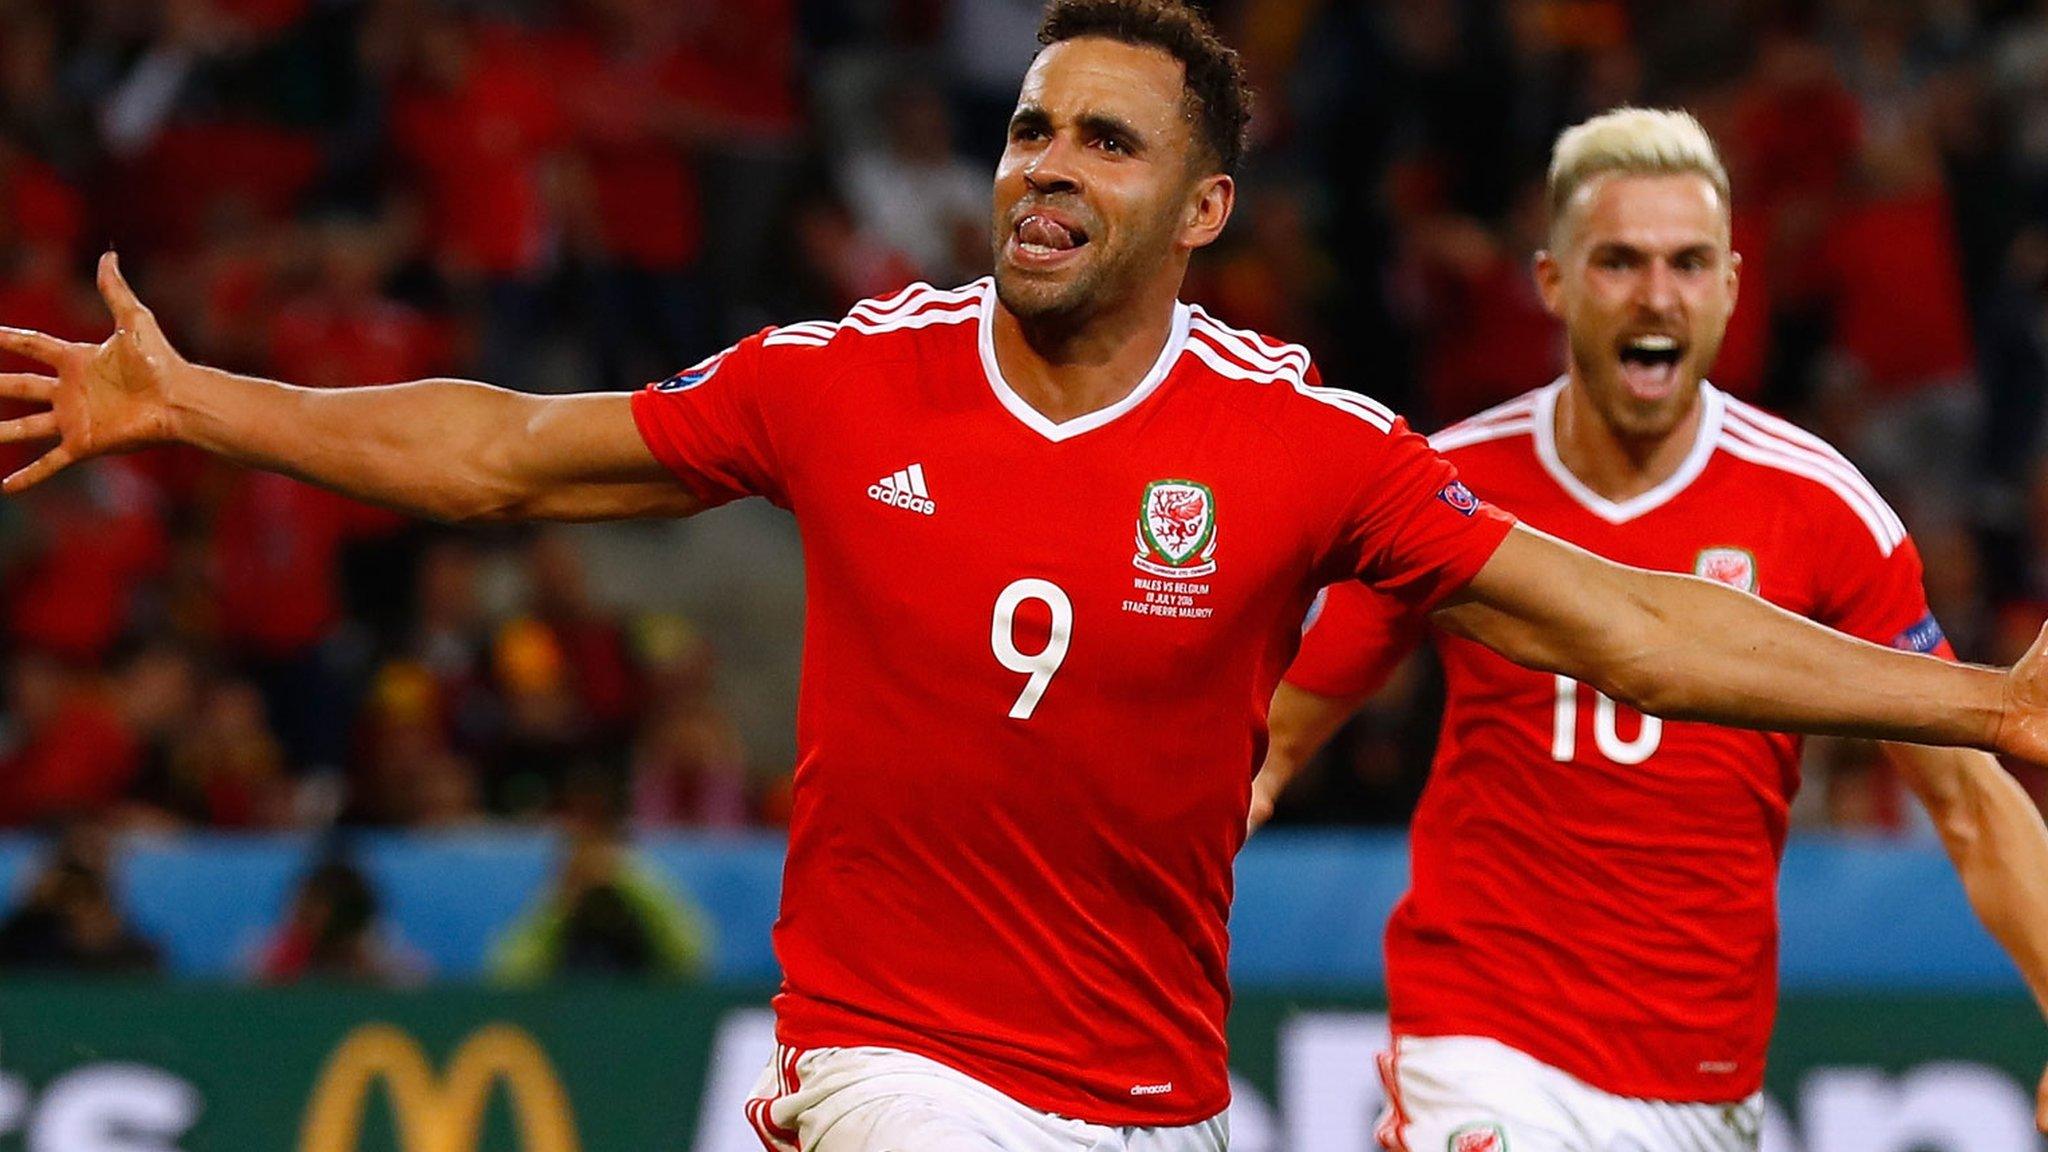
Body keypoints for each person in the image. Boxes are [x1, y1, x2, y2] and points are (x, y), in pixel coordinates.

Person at [4, 4, 2048, 1148]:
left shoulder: (1308, 450)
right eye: (1029, 129)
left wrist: (1964, 701)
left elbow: (1625, 620)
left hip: (1149, 1102)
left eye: (1104, 145)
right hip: (884, 1061)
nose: (1046, 168)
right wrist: (206, 406)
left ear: (1206, 205)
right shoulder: (842, 381)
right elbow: (509, 455)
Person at [1253, 108, 2048, 1152]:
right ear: (1552, 282)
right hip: (1480, 1037)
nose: (1654, 294)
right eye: (1617, 261)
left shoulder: (1822, 510)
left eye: (1685, 263)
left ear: (1728, 284)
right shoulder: (1445, 490)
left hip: (1700, 1077)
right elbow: (1270, 742)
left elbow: (1967, 804)